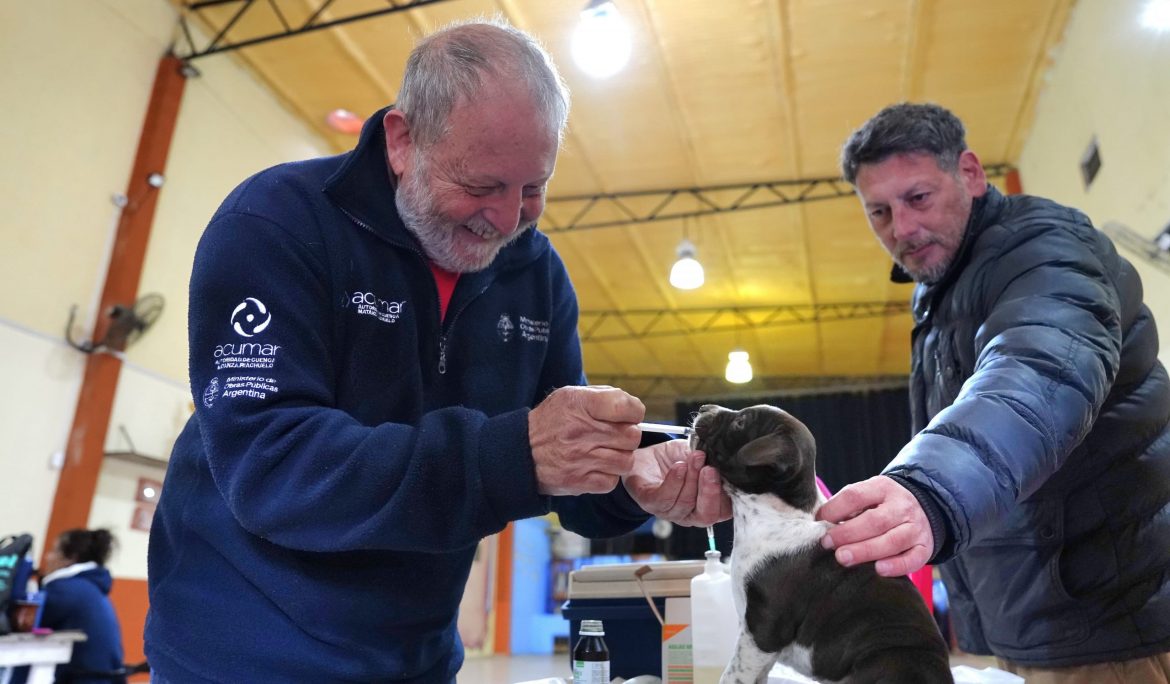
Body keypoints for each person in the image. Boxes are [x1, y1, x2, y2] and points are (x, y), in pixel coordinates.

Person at [144, 18, 728, 684]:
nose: (507, 219)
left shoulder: (535, 277)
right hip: (240, 659)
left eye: (533, 188)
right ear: (402, 141)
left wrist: (635, 482)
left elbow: (562, 477)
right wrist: (513, 453)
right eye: (482, 186)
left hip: (416, 661)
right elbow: (273, 466)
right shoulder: (277, 224)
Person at [817, 102, 1170, 681]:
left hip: (1113, 627)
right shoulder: (942, 292)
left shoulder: (1042, 247)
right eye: (879, 211)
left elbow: (1039, 366)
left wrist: (931, 489)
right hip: (1041, 625)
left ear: (972, 175)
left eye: (918, 198)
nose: (901, 229)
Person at [29, 529, 127, 684]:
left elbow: (25, 621)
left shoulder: (66, 590)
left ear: (70, 558)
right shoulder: (89, 588)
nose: (47, 557)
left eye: (54, 551)